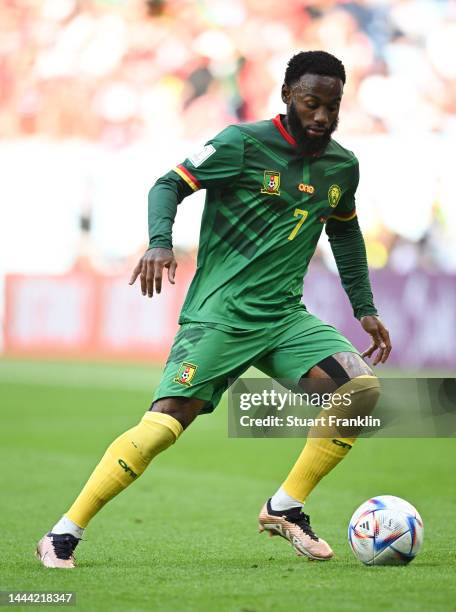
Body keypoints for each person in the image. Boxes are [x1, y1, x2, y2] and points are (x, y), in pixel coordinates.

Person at [36, 51, 391, 568]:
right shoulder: (241, 144)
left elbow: (345, 232)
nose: (321, 117)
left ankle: (285, 507)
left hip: (284, 318)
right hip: (220, 316)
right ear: (288, 94)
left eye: (332, 107)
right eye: (312, 104)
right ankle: (63, 533)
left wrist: (364, 306)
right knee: (162, 427)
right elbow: (168, 184)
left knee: (357, 391)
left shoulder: (342, 166)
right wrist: (160, 241)